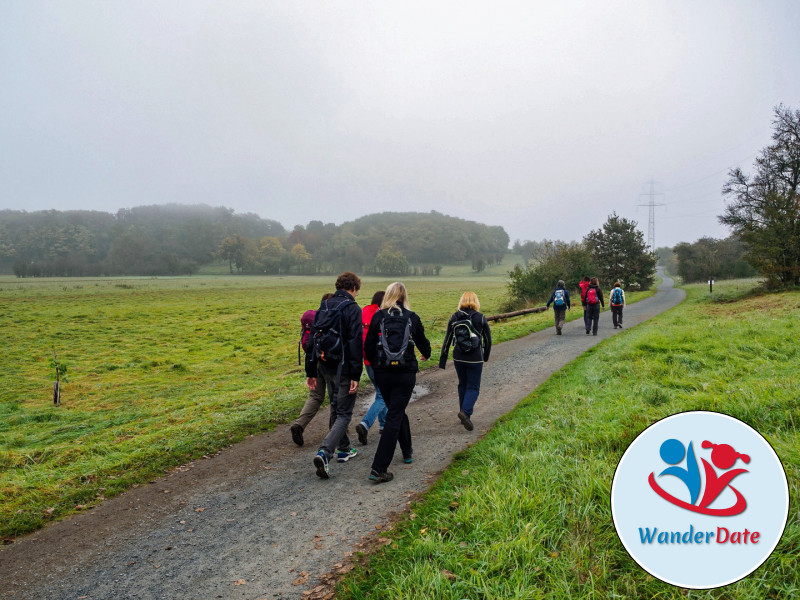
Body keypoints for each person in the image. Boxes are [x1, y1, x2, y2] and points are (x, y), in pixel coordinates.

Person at [364, 282, 431, 483]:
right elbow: (423, 342)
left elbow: (367, 346)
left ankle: (407, 451)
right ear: (404, 296)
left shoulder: (378, 316)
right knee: (395, 414)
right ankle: (378, 468)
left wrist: (376, 365)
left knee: (395, 409)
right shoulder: (412, 317)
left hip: (383, 373)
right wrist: (426, 354)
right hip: (405, 372)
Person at [311, 272, 364, 479]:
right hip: (343, 367)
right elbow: (355, 344)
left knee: (335, 406)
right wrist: (355, 375)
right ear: (353, 288)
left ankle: (343, 448)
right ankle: (325, 453)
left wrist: (311, 370)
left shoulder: (324, 305)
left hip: (324, 365)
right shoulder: (352, 308)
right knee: (344, 413)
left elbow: (312, 339)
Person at [438, 291, 492, 431]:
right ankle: (465, 413)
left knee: (462, 384)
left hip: (458, 357)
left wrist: (443, 359)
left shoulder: (454, 317)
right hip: (475, 358)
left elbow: (448, 339)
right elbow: (487, 339)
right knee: (473, 387)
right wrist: (485, 356)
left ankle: (463, 412)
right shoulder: (480, 318)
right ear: (476, 301)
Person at [290, 293, 335, 447]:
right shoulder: (332, 320)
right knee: (334, 395)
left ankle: (299, 425)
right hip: (328, 362)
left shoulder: (314, 319)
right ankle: (335, 429)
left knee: (316, 396)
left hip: (313, 361)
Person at [355, 291, 387, 445]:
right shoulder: (381, 314)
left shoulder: (364, 312)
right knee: (383, 395)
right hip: (380, 362)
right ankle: (365, 424)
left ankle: (383, 425)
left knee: (381, 393)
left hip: (367, 362)